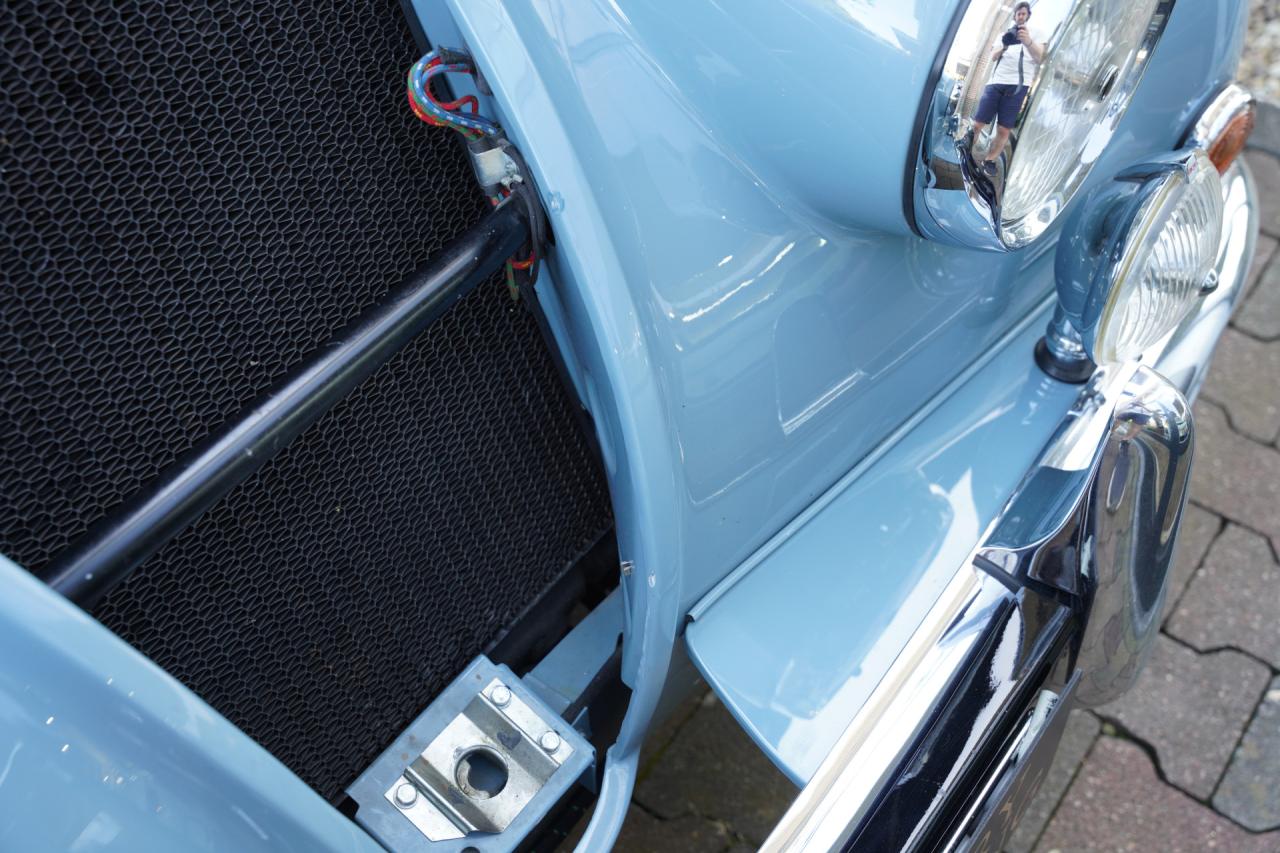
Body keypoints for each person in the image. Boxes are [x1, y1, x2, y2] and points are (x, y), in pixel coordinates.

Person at [970, 2, 1046, 176]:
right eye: (1018, 14)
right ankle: (968, 150)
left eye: (1023, 14)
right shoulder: (1003, 35)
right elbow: (993, 56)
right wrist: (1004, 45)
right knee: (978, 123)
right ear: (1014, 16)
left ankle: (989, 160)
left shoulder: (1037, 33)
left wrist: (1028, 41)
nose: (1020, 16)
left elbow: (1041, 57)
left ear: (1028, 16)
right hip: (996, 82)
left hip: (1019, 85)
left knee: (1004, 129)